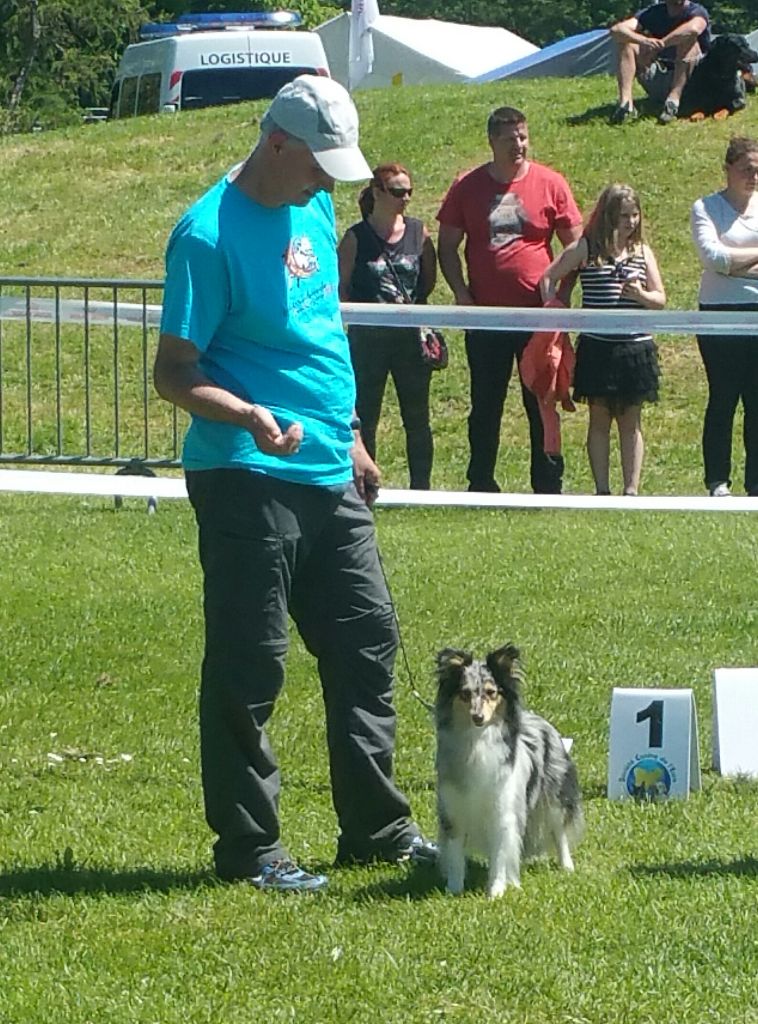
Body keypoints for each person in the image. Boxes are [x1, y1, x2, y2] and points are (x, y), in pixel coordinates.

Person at [153, 75, 436, 894]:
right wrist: (245, 415)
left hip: (328, 471)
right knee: (252, 665)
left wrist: (350, 434)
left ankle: (377, 830)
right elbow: (174, 372)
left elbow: (321, 329)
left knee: (367, 643)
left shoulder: (310, 205)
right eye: (319, 165)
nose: (329, 184)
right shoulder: (205, 236)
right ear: (276, 142)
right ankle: (249, 850)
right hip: (246, 474)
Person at [437, 105, 583, 494]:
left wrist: (562, 298)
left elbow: (578, 247)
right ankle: (480, 481)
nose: (518, 145)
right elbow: (447, 247)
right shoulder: (468, 187)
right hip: (486, 317)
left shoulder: (551, 183)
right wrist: (462, 294)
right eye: (509, 139)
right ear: (492, 141)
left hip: (538, 318)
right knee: (486, 404)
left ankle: (548, 484)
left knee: (542, 401)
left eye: (522, 137)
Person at [541, 183, 666, 496]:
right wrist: (552, 313)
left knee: (631, 420)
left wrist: (640, 295)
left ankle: (631, 489)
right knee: (599, 418)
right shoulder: (588, 248)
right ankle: (602, 490)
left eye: (635, 215)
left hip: (635, 346)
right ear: (608, 216)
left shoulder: (642, 252)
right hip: (598, 346)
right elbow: (549, 276)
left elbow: (660, 299)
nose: (630, 222)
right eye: (624, 215)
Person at [338, 163, 438, 489]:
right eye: (397, 192)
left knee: (418, 418)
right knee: (365, 416)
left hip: (409, 337)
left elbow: (427, 281)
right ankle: (365, 484)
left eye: (409, 191)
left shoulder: (418, 233)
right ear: (378, 192)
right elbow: (342, 286)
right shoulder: (355, 238)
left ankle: (421, 488)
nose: (405, 198)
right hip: (367, 339)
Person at [691, 136, 758, 497]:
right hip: (718, 314)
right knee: (723, 397)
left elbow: (726, 261)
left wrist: (734, 264)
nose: (754, 176)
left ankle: (756, 483)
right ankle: (717, 480)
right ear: (728, 169)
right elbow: (713, 260)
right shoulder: (706, 208)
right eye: (747, 169)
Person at [610, 0, 711, 125]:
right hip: (660, 74)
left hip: (692, 83)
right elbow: (617, 30)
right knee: (625, 42)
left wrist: (661, 45)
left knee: (689, 41)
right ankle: (626, 105)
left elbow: (694, 29)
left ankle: (673, 101)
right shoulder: (654, 12)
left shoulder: (696, 11)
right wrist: (644, 40)